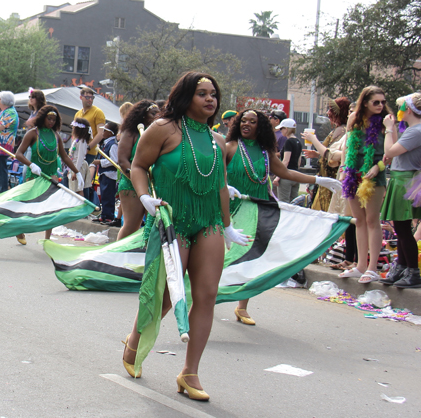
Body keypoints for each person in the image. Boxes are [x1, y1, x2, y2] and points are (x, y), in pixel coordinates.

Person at [121, 72, 249, 401]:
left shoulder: (217, 140)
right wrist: (144, 196)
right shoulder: (163, 128)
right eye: (202, 93)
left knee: (206, 295)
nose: (210, 99)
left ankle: (189, 373)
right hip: (172, 222)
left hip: (208, 223)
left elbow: (220, 185)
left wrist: (227, 225)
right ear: (186, 96)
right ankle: (135, 340)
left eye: (213, 94)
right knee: (168, 294)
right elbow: (138, 166)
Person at [224, 110, 342, 324]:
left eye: (252, 121)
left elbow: (287, 173)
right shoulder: (230, 147)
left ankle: (242, 306)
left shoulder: (265, 152)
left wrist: (318, 180)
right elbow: (216, 173)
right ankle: (203, 295)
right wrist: (224, 186)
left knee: (250, 257)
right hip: (230, 211)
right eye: (243, 121)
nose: (246, 124)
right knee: (222, 257)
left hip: (258, 211)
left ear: (261, 127)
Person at [338, 86, 390, 284]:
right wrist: (344, 168)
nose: (380, 105)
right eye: (376, 102)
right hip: (354, 173)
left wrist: (378, 167)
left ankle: (372, 267)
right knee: (358, 220)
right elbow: (347, 147)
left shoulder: (386, 122)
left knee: (372, 220)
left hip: (374, 174)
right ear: (365, 103)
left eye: (383, 102)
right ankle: (360, 266)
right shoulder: (354, 119)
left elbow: (390, 153)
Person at [379, 93, 421, 289]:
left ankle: (412, 272)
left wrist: (389, 129)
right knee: (401, 228)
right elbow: (394, 151)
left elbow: (390, 151)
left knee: (404, 229)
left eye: (400, 107)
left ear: (408, 110)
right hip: (402, 179)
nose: (398, 111)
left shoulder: (417, 131)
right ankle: (402, 267)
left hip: (405, 181)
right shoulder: (414, 129)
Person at [15, 105, 82, 242]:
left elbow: (64, 157)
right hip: (35, 174)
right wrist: (31, 165)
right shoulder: (32, 133)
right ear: (42, 118)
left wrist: (77, 172)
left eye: (54, 119)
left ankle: (47, 239)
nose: (51, 122)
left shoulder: (56, 136)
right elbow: (18, 154)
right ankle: (20, 229)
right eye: (49, 118)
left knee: (51, 207)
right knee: (30, 206)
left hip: (51, 174)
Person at [116, 100, 160, 240]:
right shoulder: (131, 132)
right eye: (153, 113)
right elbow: (123, 160)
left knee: (155, 225)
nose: (157, 116)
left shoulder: (159, 133)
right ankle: (118, 253)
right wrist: (137, 179)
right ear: (142, 115)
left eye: (159, 114)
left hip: (154, 185)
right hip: (131, 184)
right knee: (131, 226)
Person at [302, 97, 351, 212]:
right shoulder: (339, 130)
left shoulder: (342, 130)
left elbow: (331, 155)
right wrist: (317, 154)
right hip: (326, 181)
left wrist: (313, 139)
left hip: (330, 181)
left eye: (331, 110)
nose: (328, 113)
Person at [93, 121, 120, 225]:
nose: (103, 132)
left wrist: (100, 162)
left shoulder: (113, 145)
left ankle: (109, 216)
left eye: (105, 130)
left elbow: (114, 160)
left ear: (110, 133)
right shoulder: (106, 143)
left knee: (108, 195)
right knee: (104, 195)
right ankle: (104, 215)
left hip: (110, 174)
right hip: (104, 173)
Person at [274, 118, 303, 202]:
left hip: (286, 176)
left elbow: (285, 161)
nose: (281, 131)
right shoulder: (298, 142)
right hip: (295, 176)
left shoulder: (288, 142)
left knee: (284, 203)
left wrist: (278, 177)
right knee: (294, 202)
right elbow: (299, 161)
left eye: (281, 129)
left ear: (286, 129)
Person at [74, 87, 107, 159]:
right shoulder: (78, 114)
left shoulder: (98, 112)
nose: (90, 100)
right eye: (87, 97)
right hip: (77, 151)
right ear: (81, 97)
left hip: (90, 153)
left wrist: (88, 147)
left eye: (92, 98)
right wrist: (72, 148)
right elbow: (74, 133)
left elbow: (101, 134)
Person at [68, 117, 92, 200]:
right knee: (74, 188)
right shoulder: (77, 140)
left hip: (78, 167)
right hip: (74, 166)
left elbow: (80, 157)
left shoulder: (82, 141)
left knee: (78, 189)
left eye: (74, 127)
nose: (72, 128)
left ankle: (80, 205)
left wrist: (76, 171)